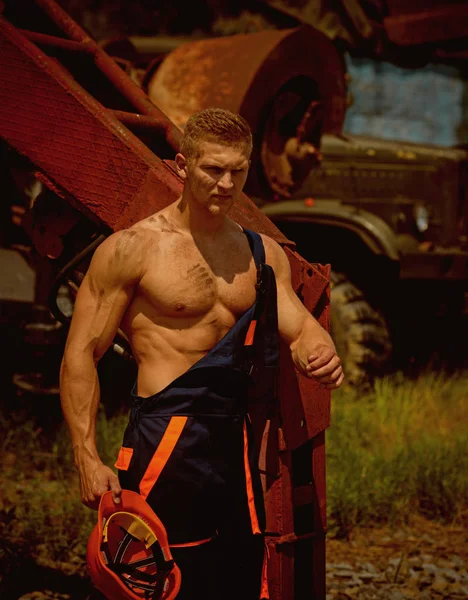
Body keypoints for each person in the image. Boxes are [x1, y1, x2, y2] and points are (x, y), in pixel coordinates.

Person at [60, 107, 344, 599]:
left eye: (237, 170)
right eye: (213, 169)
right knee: (151, 579)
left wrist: (321, 352)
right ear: (182, 165)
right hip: (165, 438)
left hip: (237, 441)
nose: (226, 182)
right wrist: (86, 456)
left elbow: (300, 330)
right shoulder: (134, 249)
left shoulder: (262, 253)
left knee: (234, 575)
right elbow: (81, 354)